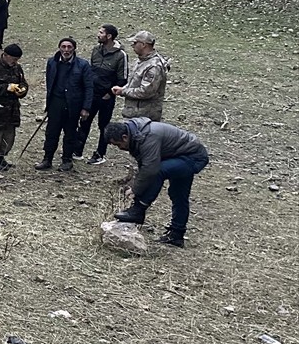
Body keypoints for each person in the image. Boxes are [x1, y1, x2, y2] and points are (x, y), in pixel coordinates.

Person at [106, 119, 209, 247]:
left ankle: (138, 210)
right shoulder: (136, 135)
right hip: (177, 155)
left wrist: (135, 190)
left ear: (124, 137)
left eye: (118, 144)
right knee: (178, 194)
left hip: (193, 157)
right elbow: (144, 165)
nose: (119, 148)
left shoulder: (148, 137)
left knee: (160, 172)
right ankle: (176, 235)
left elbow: (150, 169)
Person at [75, 25, 128, 166]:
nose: (98, 35)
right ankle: (77, 150)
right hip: (91, 94)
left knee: (103, 125)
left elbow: (122, 78)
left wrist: (109, 94)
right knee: (84, 121)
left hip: (106, 97)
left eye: (101, 32)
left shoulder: (120, 55)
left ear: (109, 36)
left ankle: (100, 153)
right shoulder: (96, 50)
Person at [39, 38, 93, 172]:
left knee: (70, 133)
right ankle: (47, 159)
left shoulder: (83, 65)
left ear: (74, 49)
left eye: (69, 47)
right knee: (51, 132)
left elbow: (89, 87)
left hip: (73, 104)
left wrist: (86, 108)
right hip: (55, 102)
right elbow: (49, 83)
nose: (66, 50)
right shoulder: (52, 62)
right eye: (63, 47)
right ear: (59, 48)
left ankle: (67, 160)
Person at [113, 30, 168, 122]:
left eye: (135, 43)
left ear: (143, 45)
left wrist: (123, 91)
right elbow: (133, 82)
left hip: (144, 118)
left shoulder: (153, 66)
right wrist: (123, 88)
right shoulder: (140, 61)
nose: (132, 46)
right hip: (134, 114)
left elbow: (146, 91)